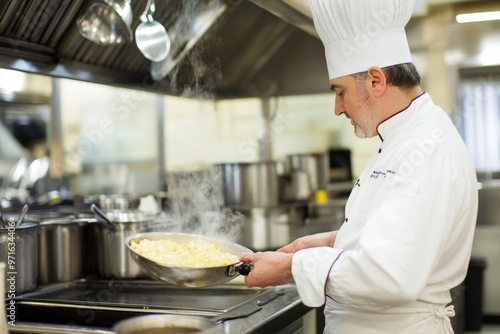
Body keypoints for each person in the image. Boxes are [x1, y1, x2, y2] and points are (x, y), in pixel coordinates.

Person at [240, 0, 479, 333]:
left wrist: (290, 267)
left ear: (376, 81)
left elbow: (387, 275)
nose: (337, 108)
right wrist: (329, 242)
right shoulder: (403, 138)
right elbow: (404, 235)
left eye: (340, 91)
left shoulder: (425, 149)